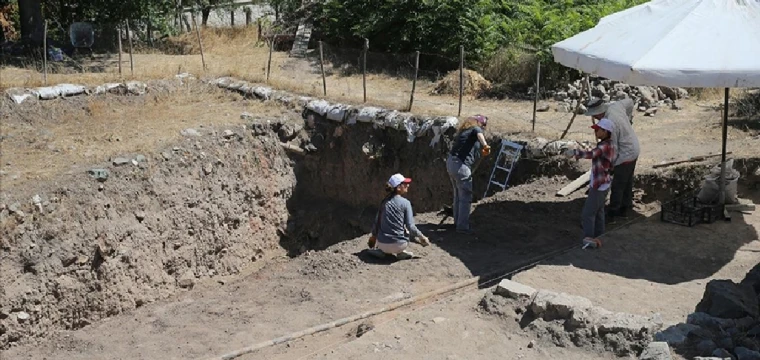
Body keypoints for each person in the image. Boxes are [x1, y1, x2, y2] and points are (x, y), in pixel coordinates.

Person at [584, 97, 640, 222]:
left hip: (625, 153)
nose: (596, 119)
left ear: (598, 113)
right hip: (634, 147)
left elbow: (613, 149)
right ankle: (626, 208)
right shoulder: (615, 106)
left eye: (595, 116)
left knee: (618, 185)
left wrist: (610, 166)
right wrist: (629, 119)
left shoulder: (610, 123)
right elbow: (630, 101)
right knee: (627, 181)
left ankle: (613, 213)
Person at [565, 118, 616, 246]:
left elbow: (592, 154)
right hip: (604, 182)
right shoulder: (609, 144)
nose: (596, 132)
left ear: (605, 131)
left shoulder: (604, 145)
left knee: (588, 214)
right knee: (599, 212)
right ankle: (600, 237)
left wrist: (575, 152)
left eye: (598, 130)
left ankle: (589, 239)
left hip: (599, 185)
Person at [446, 114, 491, 234]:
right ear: (479, 123)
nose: (484, 127)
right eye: (484, 124)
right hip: (461, 166)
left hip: (451, 164)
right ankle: (462, 227)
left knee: (458, 195)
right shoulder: (475, 129)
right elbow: (480, 135)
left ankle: (457, 222)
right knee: (465, 197)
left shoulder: (464, 131)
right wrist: (485, 145)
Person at [367, 173, 431, 260]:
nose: (407, 185)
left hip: (382, 245)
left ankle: (381, 251)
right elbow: (411, 226)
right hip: (400, 245)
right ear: (398, 187)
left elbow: (376, 223)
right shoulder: (405, 203)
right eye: (405, 184)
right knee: (406, 229)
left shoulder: (384, 202)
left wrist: (373, 237)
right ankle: (400, 253)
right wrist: (422, 237)